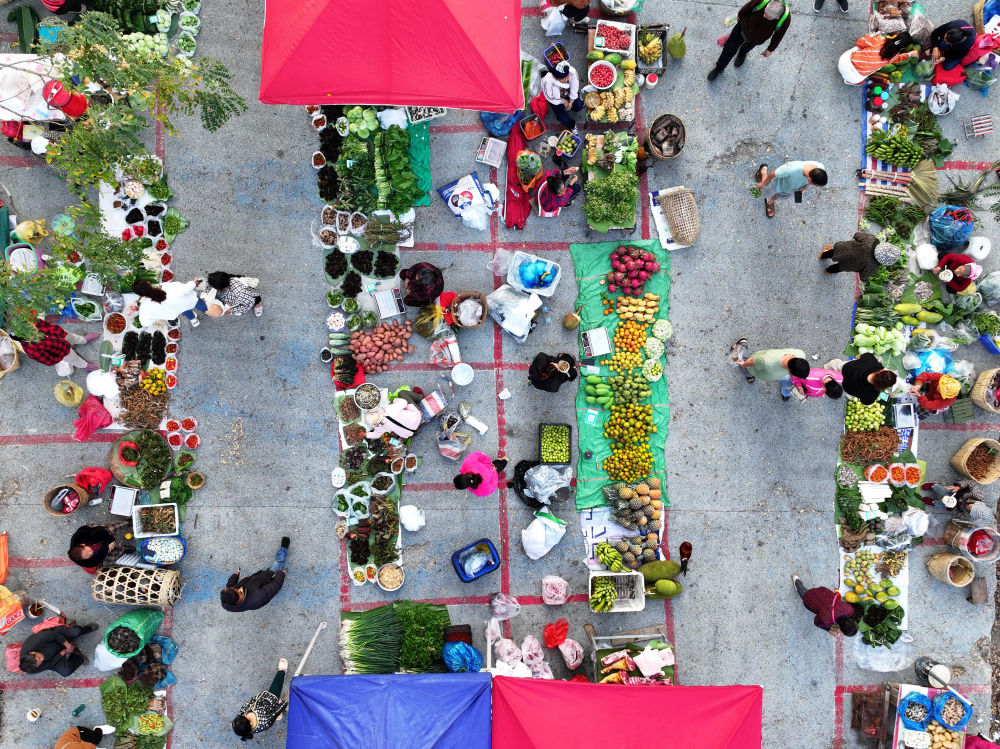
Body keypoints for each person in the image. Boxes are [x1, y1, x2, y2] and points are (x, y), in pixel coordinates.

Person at [708, 0, 789, 82]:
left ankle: (742, 53)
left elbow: (779, 35)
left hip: (757, 39)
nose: (764, 15)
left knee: (747, 48)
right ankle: (719, 68)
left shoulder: (785, 19)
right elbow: (746, 8)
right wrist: (739, 18)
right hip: (742, 29)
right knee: (729, 49)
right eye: (764, 12)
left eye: (768, 17)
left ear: (777, 17)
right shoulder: (761, 2)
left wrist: (770, 49)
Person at [220, 537, 290, 612]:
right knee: (278, 564)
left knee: (263, 577)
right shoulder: (259, 596)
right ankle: (284, 548)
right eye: (230, 588)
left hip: (254, 581)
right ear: (237, 591)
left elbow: (230, 586)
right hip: (266, 580)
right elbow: (276, 585)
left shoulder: (227, 603)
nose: (228, 587)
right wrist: (281, 574)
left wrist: (235, 575)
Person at [13, 321, 99, 376]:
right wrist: (61, 357)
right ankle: (85, 365)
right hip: (62, 352)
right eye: (32, 333)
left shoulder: (33, 323)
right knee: (74, 359)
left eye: (33, 326)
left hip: (61, 334)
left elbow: (47, 324)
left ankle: (83, 340)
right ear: (24, 337)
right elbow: (49, 361)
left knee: (73, 337)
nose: (35, 330)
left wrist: (57, 330)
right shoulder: (32, 349)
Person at [232, 657, 289, 741]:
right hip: (270, 700)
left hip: (264, 703)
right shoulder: (266, 721)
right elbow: (278, 709)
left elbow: (245, 707)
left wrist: (250, 701)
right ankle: (282, 672)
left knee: (275, 713)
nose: (243, 713)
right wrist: (283, 703)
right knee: (278, 689)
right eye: (245, 716)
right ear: (251, 723)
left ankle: (278, 714)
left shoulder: (244, 720)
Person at [731, 340, 808, 400]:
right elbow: (752, 361)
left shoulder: (801, 355)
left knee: (748, 369)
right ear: (790, 371)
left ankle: (750, 374)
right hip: (755, 366)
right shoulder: (766, 361)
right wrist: (743, 364)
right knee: (745, 367)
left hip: (762, 368)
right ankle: (743, 343)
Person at [839, 32, 920, 84]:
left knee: (861, 46)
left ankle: (848, 73)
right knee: (876, 68)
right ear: (902, 48)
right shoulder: (893, 57)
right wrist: (910, 54)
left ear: (896, 36)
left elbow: (858, 42)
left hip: (843, 62)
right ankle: (848, 81)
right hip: (854, 78)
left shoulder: (880, 40)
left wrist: (871, 36)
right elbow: (899, 58)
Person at [755, 161, 827, 219]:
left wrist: (805, 188)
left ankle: (770, 202)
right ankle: (763, 171)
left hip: (791, 190)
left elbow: (811, 182)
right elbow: (775, 173)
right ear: (809, 179)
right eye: (813, 184)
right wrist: (762, 183)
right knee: (765, 192)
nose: (813, 185)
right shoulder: (791, 169)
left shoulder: (821, 168)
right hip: (776, 185)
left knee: (781, 196)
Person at [19, 623, 97, 676]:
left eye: (39, 657)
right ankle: (77, 656)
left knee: (76, 632)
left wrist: (68, 645)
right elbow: (49, 663)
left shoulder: (37, 640)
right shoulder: (32, 669)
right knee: (65, 672)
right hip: (52, 655)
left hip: (55, 637)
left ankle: (87, 628)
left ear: (32, 652)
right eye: (40, 662)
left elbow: (55, 636)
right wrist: (65, 652)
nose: (42, 659)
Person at [791, 575, 859, 636]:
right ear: (840, 628)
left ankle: (797, 580)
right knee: (805, 594)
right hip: (810, 598)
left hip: (823, 592)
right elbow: (816, 622)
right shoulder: (826, 620)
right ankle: (796, 580)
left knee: (813, 595)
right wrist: (829, 630)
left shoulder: (849, 609)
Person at [820, 235, 900, 281]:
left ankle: (822, 256)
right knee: (838, 268)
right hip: (849, 265)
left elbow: (858, 236)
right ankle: (828, 271)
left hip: (845, 250)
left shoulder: (872, 240)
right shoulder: (874, 266)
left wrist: (855, 236)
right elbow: (863, 276)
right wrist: (865, 279)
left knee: (833, 253)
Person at [133, 279, 206, 328]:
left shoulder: (144, 308)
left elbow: (145, 323)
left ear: (141, 295)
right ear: (149, 283)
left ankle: (193, 320)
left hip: (175, 310)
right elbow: (185, 289)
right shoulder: (166, 287)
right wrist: (193, 283)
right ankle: (206, 310)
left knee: (182, 308)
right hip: (186, 301)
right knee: (193, 303)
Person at [540, 61, 582, 130]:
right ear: (557, 78)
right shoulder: (547, 81)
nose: (567, 78)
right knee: (562, 117)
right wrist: (563, 101)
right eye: (563, 79)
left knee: (578, 106)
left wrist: (571, 101)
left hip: (568, 91)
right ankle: (572, 126)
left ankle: (579, 103)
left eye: (567, 75)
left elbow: (575, 86)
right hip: (556, 99)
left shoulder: (572, 72)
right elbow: (550, 97)